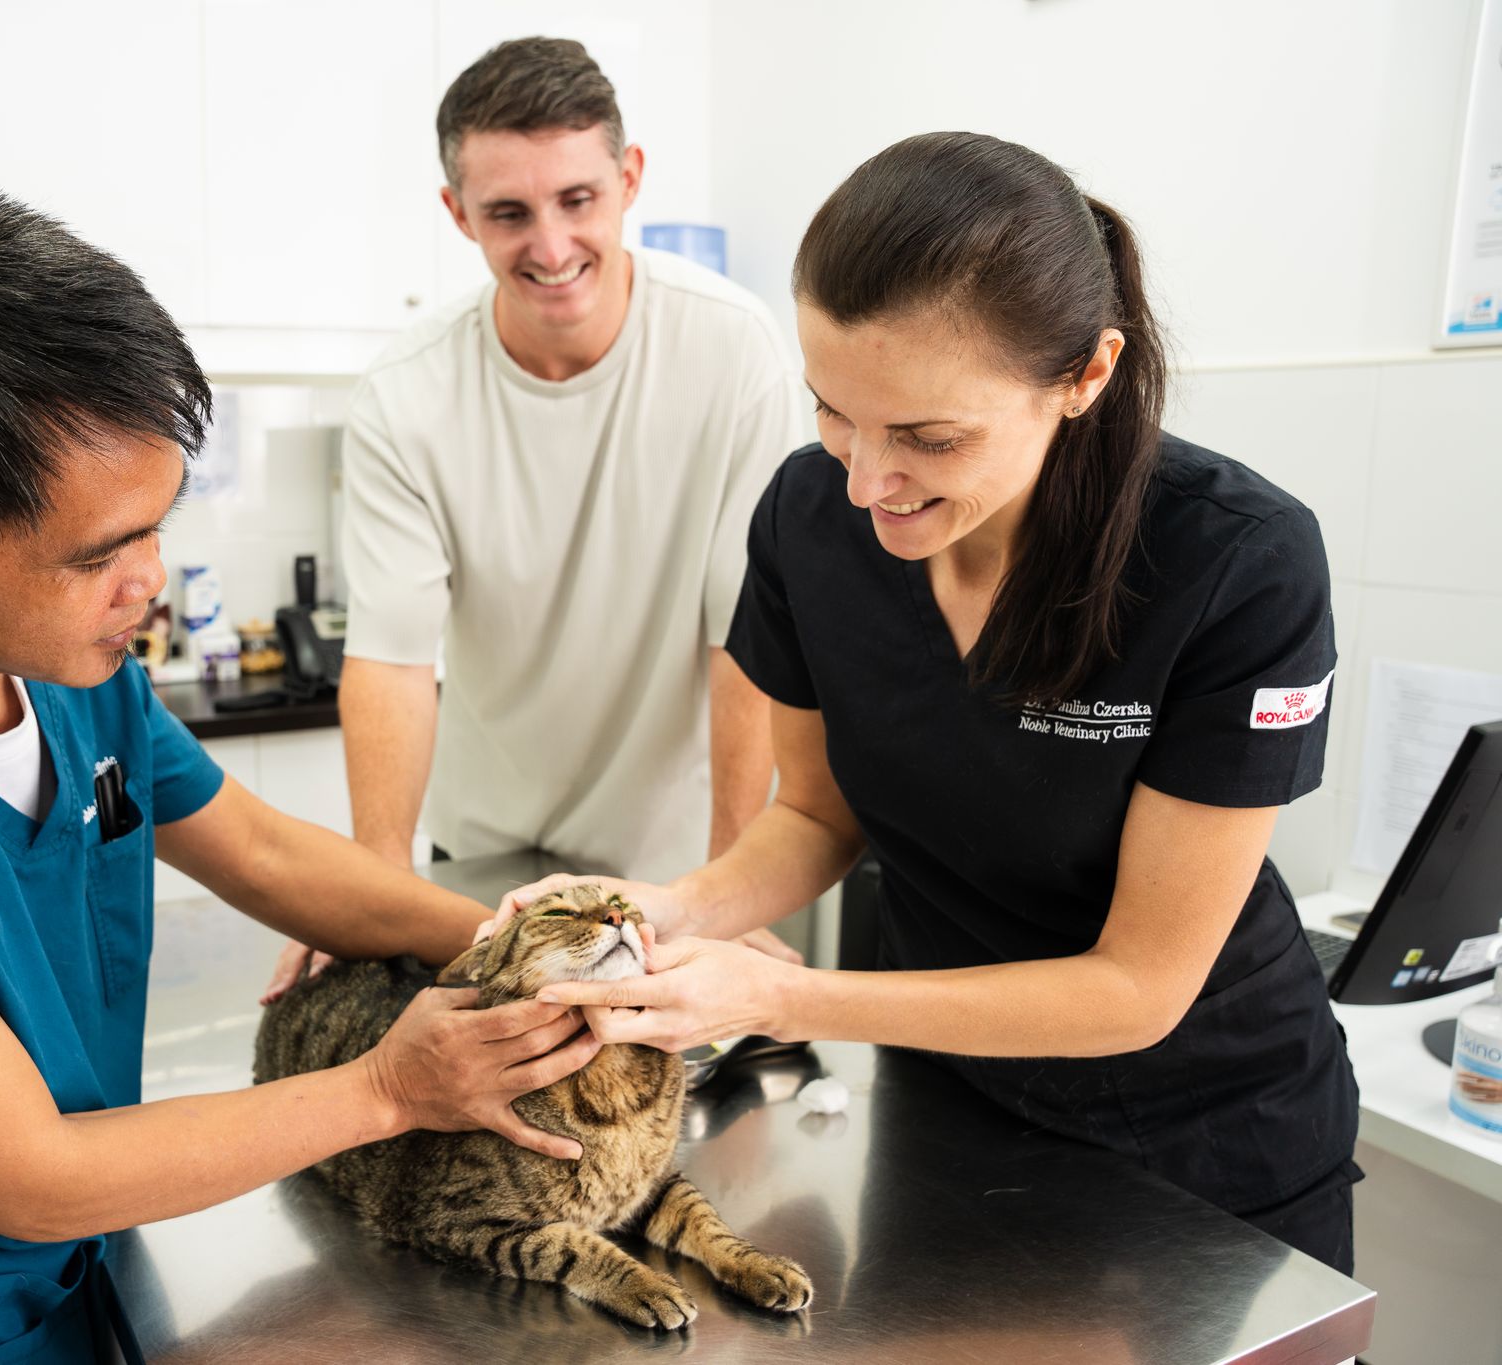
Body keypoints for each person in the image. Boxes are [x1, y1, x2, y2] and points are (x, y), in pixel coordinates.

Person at [0, 187, 601, 1364]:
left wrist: (525, 950)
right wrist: (391, 1087)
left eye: (156, 527)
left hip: (83, 1289)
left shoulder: (68, 667)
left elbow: (265, 853)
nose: (151, 582)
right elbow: (33, 1178)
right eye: (99, 555)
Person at [501, 132, 1363, 1273]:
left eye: (928, 437)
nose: (865, 483)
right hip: (949, 1109)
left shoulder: (1231, 561)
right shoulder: (811, 518)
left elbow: (1138, 987)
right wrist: (674, 913)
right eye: (832, 412)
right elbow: (814, 817)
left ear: (1085, 377)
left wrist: (789, 993)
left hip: (1208, 1146)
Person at [265, 37, 807, 1001]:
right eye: (509, 213)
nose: (551, 247)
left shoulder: (734, 353)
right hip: (487, 861)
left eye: (578, 200)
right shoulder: (407, 392)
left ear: (628, 179)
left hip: (673, 872)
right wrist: (370, 894)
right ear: (457, 213)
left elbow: (745, 640)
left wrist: (734, 891)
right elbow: (391, 659)